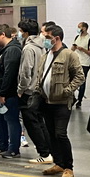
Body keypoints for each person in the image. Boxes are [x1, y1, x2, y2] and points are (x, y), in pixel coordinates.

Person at [36, 24, 84, 177]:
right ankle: (59, 163)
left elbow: (79, 76)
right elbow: (40, 76)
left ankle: (69, 167)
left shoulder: (69, 55)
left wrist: (67, 91)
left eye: (47, 37)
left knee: (60, 134)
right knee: (51, 134)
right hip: (46, 101)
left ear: (56, 38)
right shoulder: (45, 56)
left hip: (62, 103)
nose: (44, 40)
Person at [17, 18, 53, 164]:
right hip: (39, 90)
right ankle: (49, 151)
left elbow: (26, 71)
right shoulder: (42, 46)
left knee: (32, 124)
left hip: (29, 92)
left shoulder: (28, 48)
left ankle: (44, 153)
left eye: (20, 31)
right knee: (40, 122)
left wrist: (21, 89)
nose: (19, 34)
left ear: (25, 33)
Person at [0, 24, 22, 158]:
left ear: (3, 34)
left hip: (9, 93)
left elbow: (9, 74)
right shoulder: (1, 50)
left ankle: (13, 148)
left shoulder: (13, 50)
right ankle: (2, 144)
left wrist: (3, 93)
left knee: (11, 119)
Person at [71, 22, 90, 107]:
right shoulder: (77, 37)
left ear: (84, 28)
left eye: (79, 27)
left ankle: (79, 100)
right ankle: (73, 98)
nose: (78, 29)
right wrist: (74, 47)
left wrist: (82, 49)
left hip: (85, 63)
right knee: (72, 80)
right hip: (76, 62)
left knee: (82, 82)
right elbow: (72, 49)